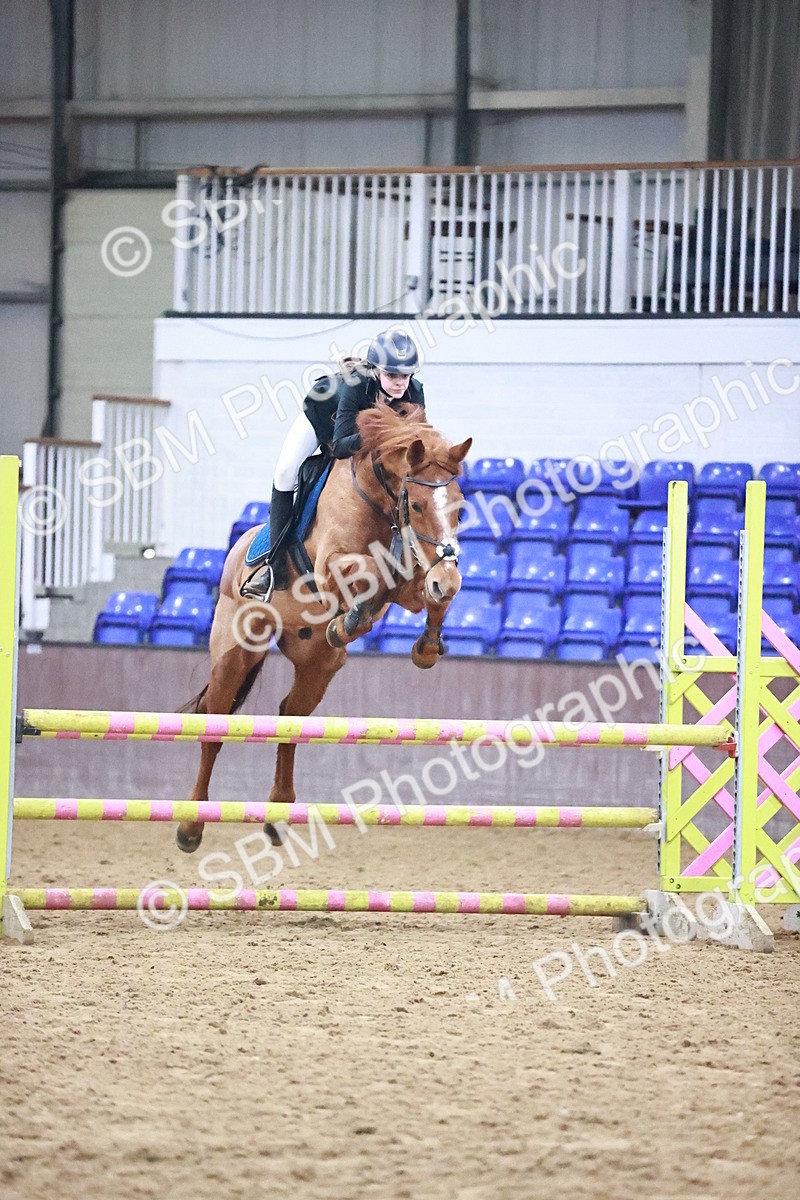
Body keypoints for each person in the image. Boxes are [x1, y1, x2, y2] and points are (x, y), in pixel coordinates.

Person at [242, 329, 424, 600]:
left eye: (405, 375)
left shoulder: (415, 391)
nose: (400, 383)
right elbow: (339, 446)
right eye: (392, 375)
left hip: (358, 438)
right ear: (376, 371)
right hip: (323, 420)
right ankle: (274, 566)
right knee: (285, 472)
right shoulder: (356, 385)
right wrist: (378, 432)